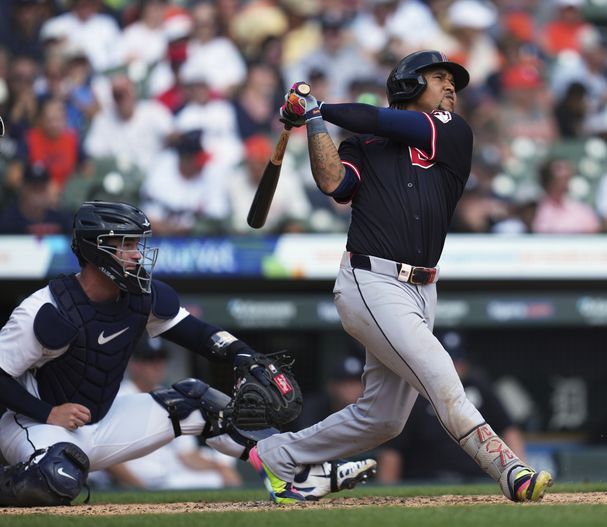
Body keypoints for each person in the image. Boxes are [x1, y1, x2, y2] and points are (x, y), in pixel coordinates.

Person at [248, 50, 552, 504]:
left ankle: (280, 455)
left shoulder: (451, 131)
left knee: (384, 418)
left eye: (452, 80)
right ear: (409, 84)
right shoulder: (362, 144)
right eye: (439, 77)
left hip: (423, 288)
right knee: (441, 375)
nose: (451, 87)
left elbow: (380, 120)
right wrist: (313, 124)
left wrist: (317, 107)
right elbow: (335, 185)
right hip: (371, 279)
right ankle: (509, 469)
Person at [0, 201, 374, 507]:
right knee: (57, 478)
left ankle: (301, 472)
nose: (136, 254)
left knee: (198, 401)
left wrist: (243, 356)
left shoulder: (140, 298)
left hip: (98, 423)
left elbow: (197, 334)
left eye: (136, 243)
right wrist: (46, 412)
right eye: (126, 245)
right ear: (96, 249)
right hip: (35, 423)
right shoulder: (46, 310)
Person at [377, 331, 526, 483]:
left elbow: (509, 430)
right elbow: (393, 449)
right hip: (427, 480)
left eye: (459, 360)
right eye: (450, 361)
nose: (455, 367)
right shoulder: (415, 393)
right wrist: (388, 490)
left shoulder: (479, 387)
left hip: (476, 479)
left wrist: (519, 474)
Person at [101, 337, 243, 490]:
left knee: (222, 464)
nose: (158, 365)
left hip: (170, 476)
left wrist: (220, 468)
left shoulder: (169, 396)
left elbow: (187, 454)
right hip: (137, 479)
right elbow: (103, 454)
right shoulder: (119, 398)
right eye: (150, 359)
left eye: (161, 359)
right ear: (135, 365)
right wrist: (140, 489)